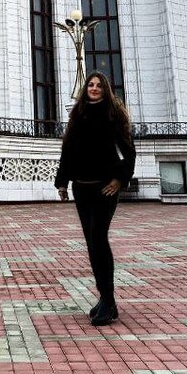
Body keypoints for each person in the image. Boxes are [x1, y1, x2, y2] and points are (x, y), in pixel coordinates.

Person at [55, 72, 135, 326]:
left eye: (99, 85)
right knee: (91, 242)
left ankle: (109, 301)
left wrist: (119, 180)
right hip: (82, 188)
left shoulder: (112, 115)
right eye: (91, 84)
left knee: (99, 238)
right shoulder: (78, 115)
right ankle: (104, 299)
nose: (94, 88)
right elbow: (68, 149)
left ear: (106, 89)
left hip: (104, 189)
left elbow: (128, 151)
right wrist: (62, 182)